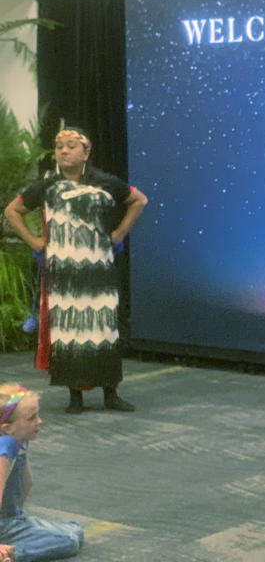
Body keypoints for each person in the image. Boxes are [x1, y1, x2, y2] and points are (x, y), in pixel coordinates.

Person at [4, 128, 148, 414]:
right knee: (69, 329)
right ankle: (76, 397)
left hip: (99, 268)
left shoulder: (105, 183)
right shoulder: (48, 186)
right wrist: (33, 240)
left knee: (103, 328)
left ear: (86, 152)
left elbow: (139, 200)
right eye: (59, 147)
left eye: (70, 146)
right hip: (63, 272)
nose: (63, 151)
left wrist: (119, 233)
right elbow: (12, 211)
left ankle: (111, 393)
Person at [0, 383, 84, 561]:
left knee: (74, 527)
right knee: (68, 540)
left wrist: (16, 516)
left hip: (11, 518)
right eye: (31, 418)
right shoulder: (5, 447)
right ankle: (14, 553)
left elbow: (27, 482)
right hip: (4, 523)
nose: (39, 421)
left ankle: (12, 538)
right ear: (7, 428)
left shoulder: (20, 440)